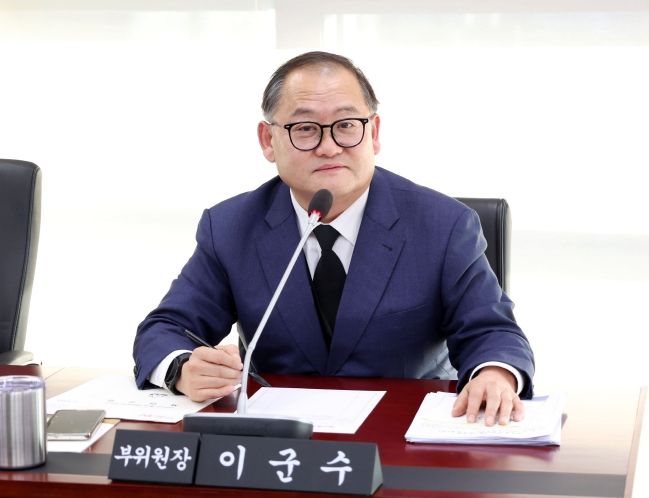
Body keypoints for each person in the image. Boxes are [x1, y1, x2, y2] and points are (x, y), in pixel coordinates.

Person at [133, 51, 534, 426]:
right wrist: (182, 369)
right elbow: (165, 328)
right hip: (277, 439)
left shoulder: (443, 225)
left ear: (374, 133)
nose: (329, 147)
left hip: (400, 432)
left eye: (346, 126)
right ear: (268, 141)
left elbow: (491, 331)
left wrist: (494, 374)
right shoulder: (231, 227)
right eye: (306, 129)